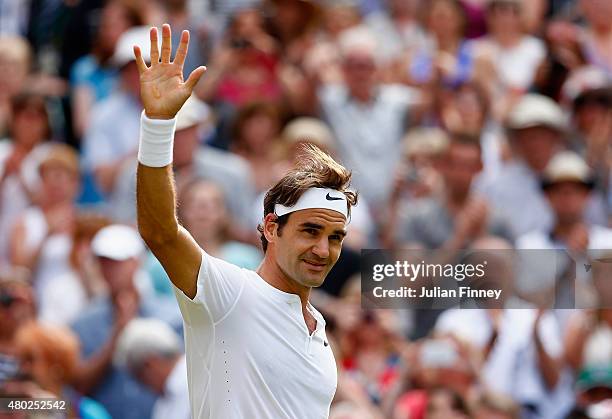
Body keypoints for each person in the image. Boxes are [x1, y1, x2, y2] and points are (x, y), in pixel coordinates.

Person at [134, 23, 357, 417]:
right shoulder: (229, 293)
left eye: (335, 236)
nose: (323, 249)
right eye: (310, 230)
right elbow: (160, 232)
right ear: (272, 228)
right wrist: (158, 126)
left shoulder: (318, 327)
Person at [114, 318, 189, 419]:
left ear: (149, 365)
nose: (141, 387)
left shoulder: (195, 384)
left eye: (139, 377)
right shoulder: (163, 401)